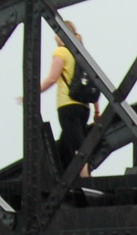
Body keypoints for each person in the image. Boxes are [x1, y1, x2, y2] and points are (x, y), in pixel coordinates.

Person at [28, 19, 100, 174]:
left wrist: (31, 93)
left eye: (56, 34)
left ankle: (85, 184)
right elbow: (94, 83)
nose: (55, 38)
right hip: (84, 108)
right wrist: (97, 111)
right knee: (65, 148)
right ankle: (66, 181)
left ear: (62, 35)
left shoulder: (61, 52)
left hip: (67, 106)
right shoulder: (80, 54)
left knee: (78, 150)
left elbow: (52, 78)